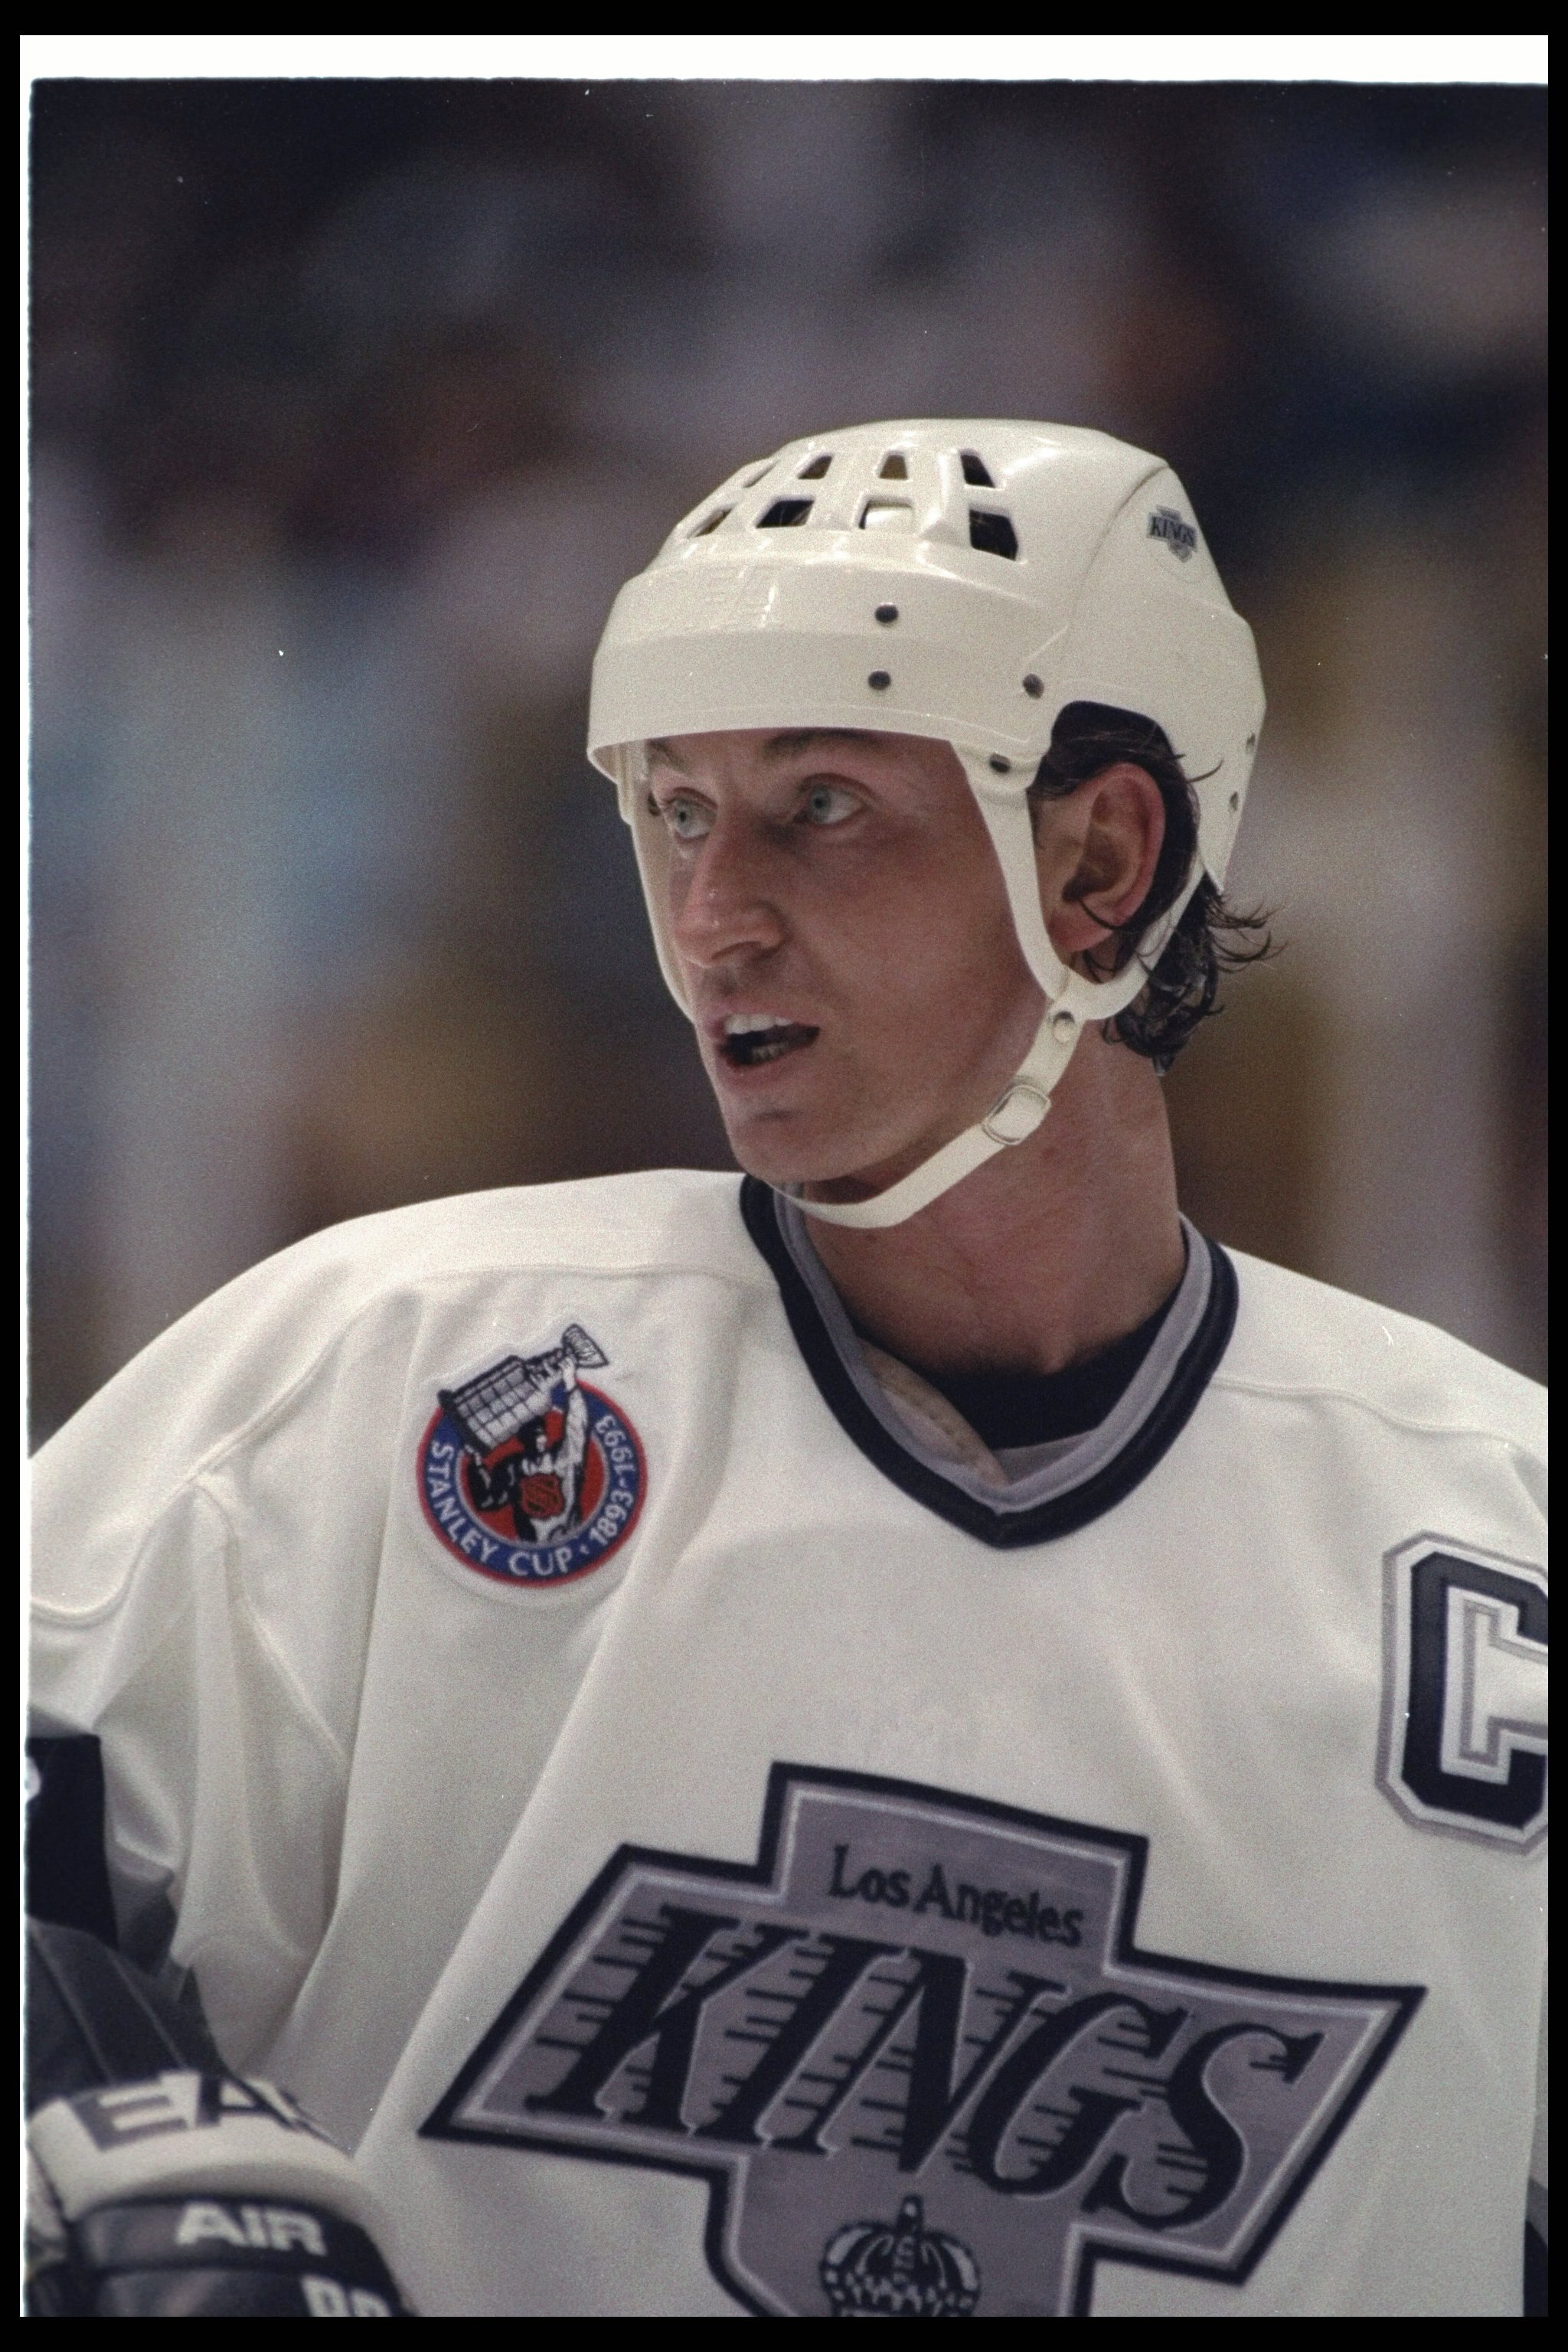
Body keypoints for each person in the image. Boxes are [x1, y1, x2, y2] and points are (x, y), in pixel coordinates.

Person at [27, 420, 1546, 2318]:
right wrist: (103, 2140)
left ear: (1098, 857)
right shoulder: (384, 1376)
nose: (709, 912)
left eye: (818, 804)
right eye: (674, 809)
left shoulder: (1492, 1534)